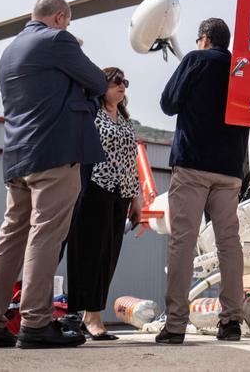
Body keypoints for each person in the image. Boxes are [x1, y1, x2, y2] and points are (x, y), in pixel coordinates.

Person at [0, 0, 108, 350]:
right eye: (68, 21)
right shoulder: (56, 40)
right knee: (45, 235)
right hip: (55, 154)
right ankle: (35, 322)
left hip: (18, 157)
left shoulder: (10, 51)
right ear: (61, 17)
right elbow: (97, 81)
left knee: (10, 237)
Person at [156, 18, 250, 344]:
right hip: (229, 170)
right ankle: (231, 322)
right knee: (229, 245)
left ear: (205, 39)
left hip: (193, 165)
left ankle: (176, 325)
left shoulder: (196, 60)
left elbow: (168, 103)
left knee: (183, 243)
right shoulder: (242, 67)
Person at [63, 67, 142, 341]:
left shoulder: (125, 121)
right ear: (101, 86)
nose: (122, 86)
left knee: (107, 256)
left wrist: (136, 199)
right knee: (87, 254)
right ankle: (81, 314)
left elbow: (132, 163)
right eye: (116, 81)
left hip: (120, 195)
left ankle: (92, 315)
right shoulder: (91, 115)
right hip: (93, 190)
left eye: (125, 82)